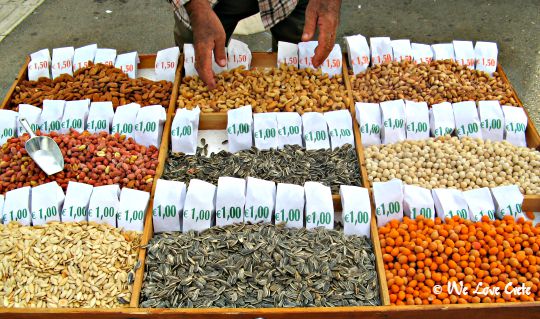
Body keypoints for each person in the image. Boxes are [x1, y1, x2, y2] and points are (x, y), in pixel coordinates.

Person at [171, 0, 342, 89]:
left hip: (288, 3)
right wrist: (196, 8)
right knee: (197, 67)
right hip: (209, 4)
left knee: (303, 68)